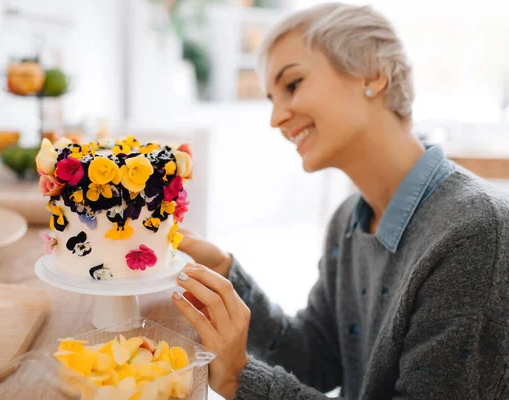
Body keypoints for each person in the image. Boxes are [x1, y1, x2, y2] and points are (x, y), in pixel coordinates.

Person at [170, 2, 509, 400]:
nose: (276, 118)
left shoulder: (476, 230)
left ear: (374, 74)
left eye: (292, 84)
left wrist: (239, 381)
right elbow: (316, 360)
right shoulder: (348, 221)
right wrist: (226, 273)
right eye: (271, 98)